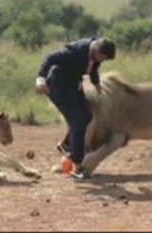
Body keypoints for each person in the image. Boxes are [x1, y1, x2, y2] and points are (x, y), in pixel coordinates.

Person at [35, 37, 116, 179]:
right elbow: (50, 58)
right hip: (58, 86)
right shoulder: (74, 52)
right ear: (97, 50)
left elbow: (93, 67)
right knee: (77, 123)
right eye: (103, 58)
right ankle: (77, 167)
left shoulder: (95, 53)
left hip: (73, 84)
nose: (103, 61)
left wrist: (97, 87)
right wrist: (41, 79)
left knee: (86, 116)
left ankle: (66, 145)